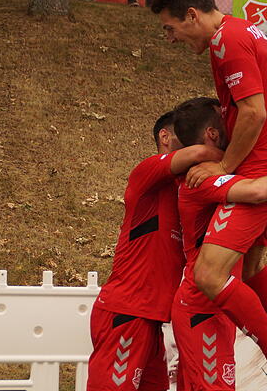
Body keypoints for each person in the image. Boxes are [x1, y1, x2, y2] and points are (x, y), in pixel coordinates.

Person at [150, 0, 267, 391]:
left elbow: (254, 113)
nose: (170, 39)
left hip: (259, 164)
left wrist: (225, 165)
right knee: (254, 266)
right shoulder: (243, 32)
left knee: (208, 274)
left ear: (192, 14)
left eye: (170, 28)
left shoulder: (227, 40)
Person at [171, 97, 267, 391]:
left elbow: (254, 270)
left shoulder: (223, 170)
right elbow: (258, 191)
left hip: (218, 307)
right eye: (227, 117)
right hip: (200, 309)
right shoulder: (200, 177)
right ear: (213, 134)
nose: (236, 121)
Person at [87, 110, 223, 391]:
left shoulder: (189, 185)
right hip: (127, 310)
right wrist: (249, 151)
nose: (190, 141)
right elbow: (200, 151)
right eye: (182, 135)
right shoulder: (148, 171)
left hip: (151, 319)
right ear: (165, 137)